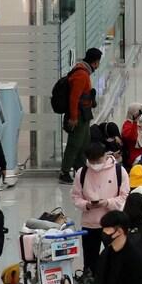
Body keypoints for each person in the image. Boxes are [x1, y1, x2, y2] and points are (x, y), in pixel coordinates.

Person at [71, 141, 130, 274]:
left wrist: (107, 203)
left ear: (105, 155)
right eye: (92, 161)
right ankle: (91, 280)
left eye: (98, 161)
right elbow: (75, 196)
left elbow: (124, 196)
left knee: (115, 259)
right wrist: (86, 205)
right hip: (90, 224)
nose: (95, 164)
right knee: (90, 261)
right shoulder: (82, 172)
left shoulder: (119, 171)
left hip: (113, 224)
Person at [58, 47, 102, 184]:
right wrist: (73, 117)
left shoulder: (83, 72)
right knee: (75, 143)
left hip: (84, 114)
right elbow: (74, 98)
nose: (98, 65)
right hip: (78, 115)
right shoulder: (81, 74)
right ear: (95, 62)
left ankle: (81, 169)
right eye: (98, 62)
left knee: (83, 143)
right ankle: (64, 172)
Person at [120, 103, 142, 168]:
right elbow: (132, 138)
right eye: (140, 113)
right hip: (134, 157)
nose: (141, 115)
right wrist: (135, 122)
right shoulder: (127, 125)